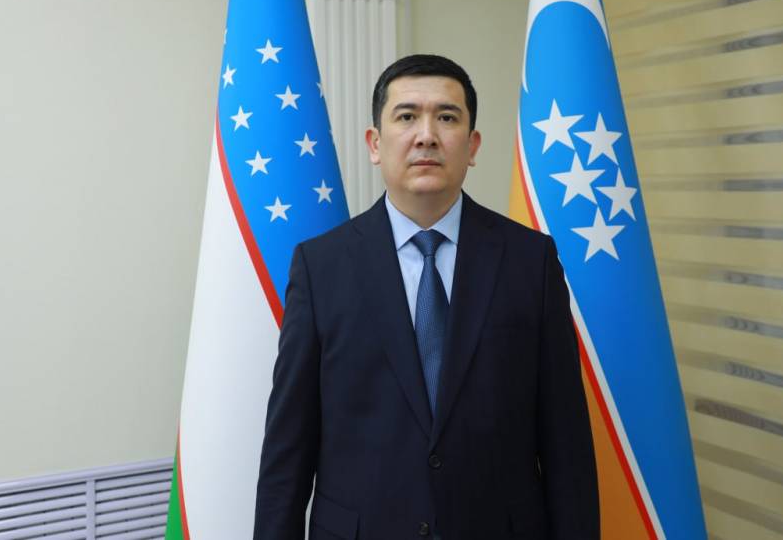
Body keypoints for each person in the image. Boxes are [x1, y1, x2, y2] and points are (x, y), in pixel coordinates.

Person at [254, 54, 599, 540]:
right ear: (375, 144)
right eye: (406, 116)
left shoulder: (530, 261)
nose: (426, 135)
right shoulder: (320, 267)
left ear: (472, 145)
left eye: (447, 117)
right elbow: (288, 450)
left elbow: (567, 445)